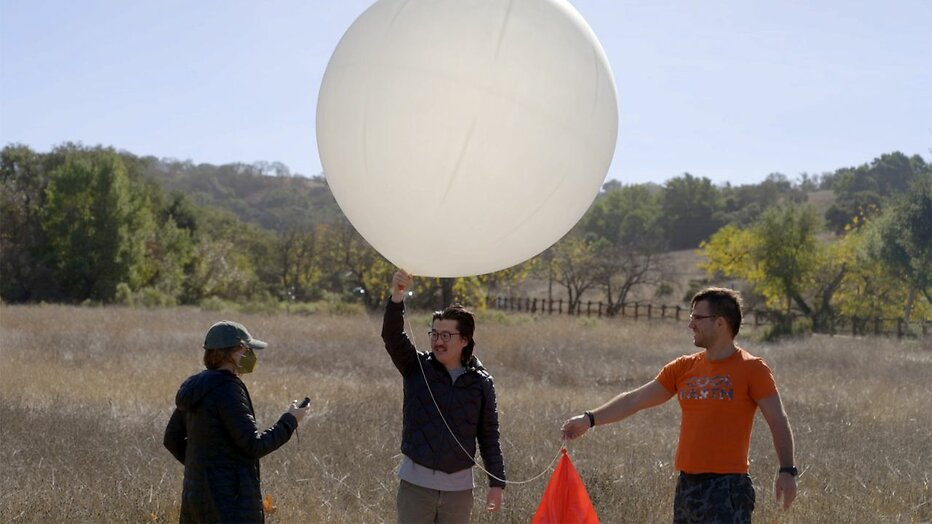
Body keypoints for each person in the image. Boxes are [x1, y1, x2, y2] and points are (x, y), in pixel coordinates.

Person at [562, 287, 797, 523]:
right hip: (687, 486)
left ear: (720, 323)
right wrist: (589, 419)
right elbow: (634, 400)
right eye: (691, 317)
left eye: (697, 318)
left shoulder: (753, 369)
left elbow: (778, 420)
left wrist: (787, 470)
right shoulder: (683, 367)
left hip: (727, 487)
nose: (691, 324)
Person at [382, 269, 506, 524]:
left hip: (459, 493)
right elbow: (392, 336)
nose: (438, 341)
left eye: (446, 336)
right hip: (415, 488)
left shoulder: (481, 383)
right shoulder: (416, 367)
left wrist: (496, 483)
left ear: (465, 340)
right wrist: (397, 296)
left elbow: (489, 436)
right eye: (434, 334)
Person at [164, 320, 311, 523]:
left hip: (195, 499)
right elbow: (254, 445)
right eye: (246, 349)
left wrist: (206, 470)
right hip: (228, 505)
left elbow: (171, 439)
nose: (250, 354)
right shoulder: (228, 388)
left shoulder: (197, 387)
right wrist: (290, 420)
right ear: (233, 353)